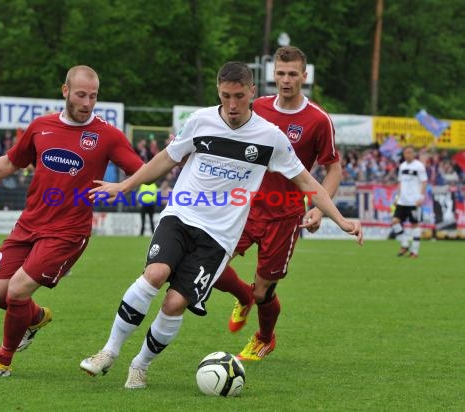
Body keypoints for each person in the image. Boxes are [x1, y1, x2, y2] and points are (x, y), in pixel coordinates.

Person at [79, 61, 363, 390]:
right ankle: (108, 352)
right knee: (154, 274)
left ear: (252, 93)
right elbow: (166, 158)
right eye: (225, 96)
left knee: (175, 303)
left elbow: (305, 180)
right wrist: (124, 186)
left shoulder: (270, 137)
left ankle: (140, 366)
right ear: (218, 91)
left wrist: (339, 218)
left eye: (239, 97)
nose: (231, 105)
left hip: (218, 236)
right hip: (181, 216)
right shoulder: (200, 121)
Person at [0, 65, 143, 379]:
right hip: (29, 224)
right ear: (65, 91)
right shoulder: (41, 126)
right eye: (81, 94)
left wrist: (122, 187)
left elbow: (141, 170)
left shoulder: (107, 135)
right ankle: (36, 317)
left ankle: (2, 361)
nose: (87, 102)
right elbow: (12, 161)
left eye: (93, 96)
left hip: (68, 232)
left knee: (16, 291)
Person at [213, 46, 342, 361]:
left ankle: (264, 338)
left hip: (284, 216)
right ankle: (243, 296)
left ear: (304, 76)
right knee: (206, 265)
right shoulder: (255, 107)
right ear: (273, 75)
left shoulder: (317, 120)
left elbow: (334, 168)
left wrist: (319, 209)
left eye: (292, 74)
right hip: (244, 207)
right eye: (281, 74)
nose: (286, 80)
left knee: (264, 291)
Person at [391, 145, 427, 258]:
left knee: (415, 225)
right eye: (406, 153)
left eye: (409, 153)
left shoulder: (419, 166)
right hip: (402, 200)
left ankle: (414, 252)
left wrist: (421, 197)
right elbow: (400, 183)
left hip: (414, 201)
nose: (407, 155)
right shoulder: (402, 166)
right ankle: (405, 244)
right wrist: (397, 197)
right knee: (395, 221)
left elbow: (424, 182)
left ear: (413, 154)